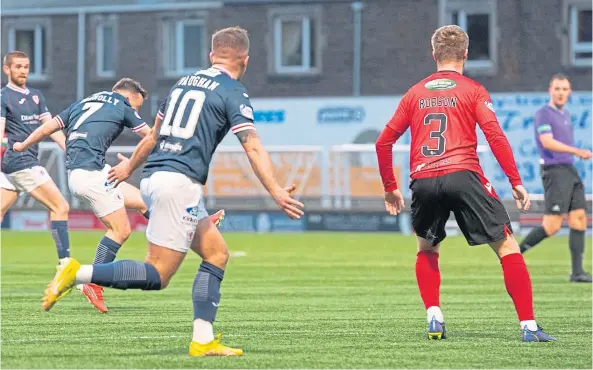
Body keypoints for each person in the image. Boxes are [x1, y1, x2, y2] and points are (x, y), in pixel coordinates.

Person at [40, 26, 304, 356]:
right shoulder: (233, 91)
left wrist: (128, 168)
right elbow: (252, 145)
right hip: (179, 183)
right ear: (245, 60)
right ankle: (79, 273)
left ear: (211, 55)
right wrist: (277, 191)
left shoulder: (182, 84)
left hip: (155, 178)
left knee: (216, 254)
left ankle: (203, 339)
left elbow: (151, 137)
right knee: (158, 274)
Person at [375, 25, 555, 342]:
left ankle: (434, 316)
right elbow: (495, 136)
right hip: (463, 174)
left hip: (424, 179)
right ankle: (528, 326)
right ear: (466, 54)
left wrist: (390, 187)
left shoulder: (414, 93)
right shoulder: (473, 90)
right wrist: (516, 181)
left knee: (427, 249)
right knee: (507, 246)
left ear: (434, 55)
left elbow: (383, 143)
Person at [14, 78, 226, 313]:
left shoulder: (83, 102)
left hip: (89, 172)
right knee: (120, 230)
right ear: (130, 95)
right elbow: (150, 137)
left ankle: (196, 223)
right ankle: (91, 284)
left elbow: (47, 128)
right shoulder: (122, 104)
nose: (136, 111)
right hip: (91, 175)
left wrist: (23, 145)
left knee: (144, 203)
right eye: (137, 106)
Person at [519, 74, 592, 283]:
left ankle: (577, 272)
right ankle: (513, 254)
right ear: (550, 90)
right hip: (555, 171)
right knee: (552, 225)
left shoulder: (565, 115)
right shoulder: (544, 114)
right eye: (557, 88)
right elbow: (547, 142)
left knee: (579, 219)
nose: (561, 92)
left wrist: (573, 155)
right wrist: (577, 151)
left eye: (565, 89)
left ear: (569, 92)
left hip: (569, 169)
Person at [0, 51, 71, 266]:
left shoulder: (36, 96)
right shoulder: (4, 96)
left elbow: (50, 127)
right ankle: (65, 265)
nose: (23, 71)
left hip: (18, 164)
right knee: (61, 207)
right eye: (18, 67)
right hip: (21, 161)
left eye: (26, 67)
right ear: (7, 69)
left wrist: (71, 148)